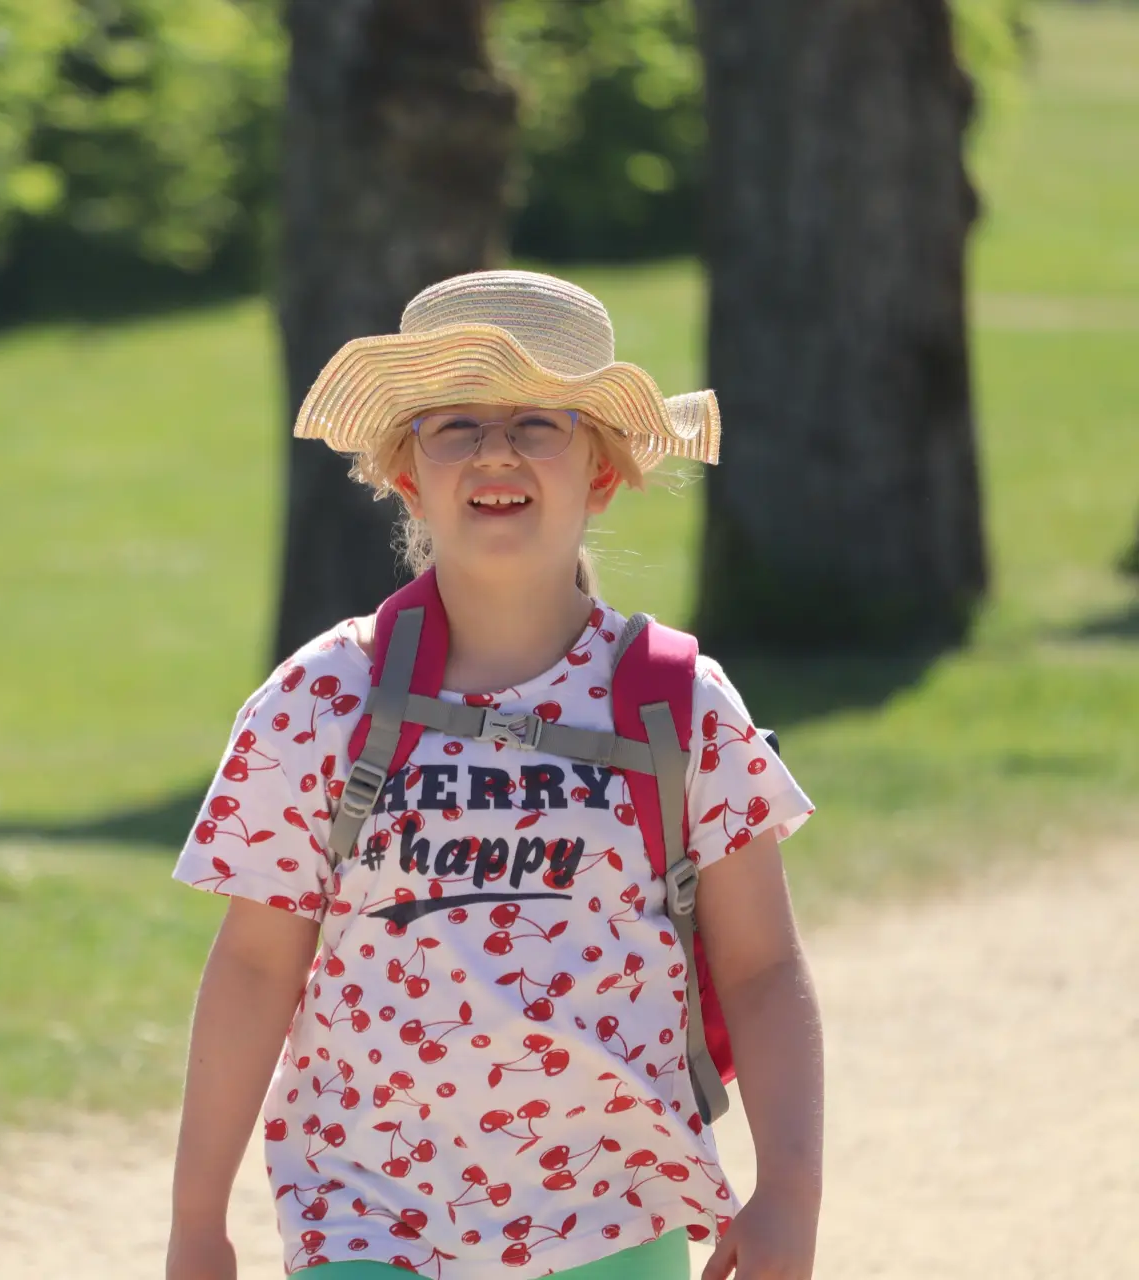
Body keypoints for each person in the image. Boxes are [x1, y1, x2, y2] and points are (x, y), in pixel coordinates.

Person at [166, 271, 822, 1280]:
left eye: (538, 422)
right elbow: (257, 965)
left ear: (602, 471)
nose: (497, 451)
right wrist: (196, 1219)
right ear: (403, 471)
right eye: (456, 424)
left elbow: (763, 967)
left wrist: (789, 1189)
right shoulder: (321, 701)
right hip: (366, 1215)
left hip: (611, 1211)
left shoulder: (679, 704)